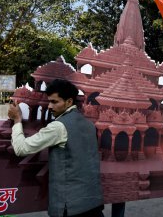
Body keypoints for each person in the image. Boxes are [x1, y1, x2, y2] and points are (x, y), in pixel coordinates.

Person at [8, 79, 104, 217]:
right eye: (49, 102)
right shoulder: (89, 125)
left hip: (70, 207)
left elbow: (21, 149)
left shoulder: (58, 127)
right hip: (93, 203)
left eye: (54, 102)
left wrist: (17, 120)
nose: (49, 107)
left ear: (69, 102)